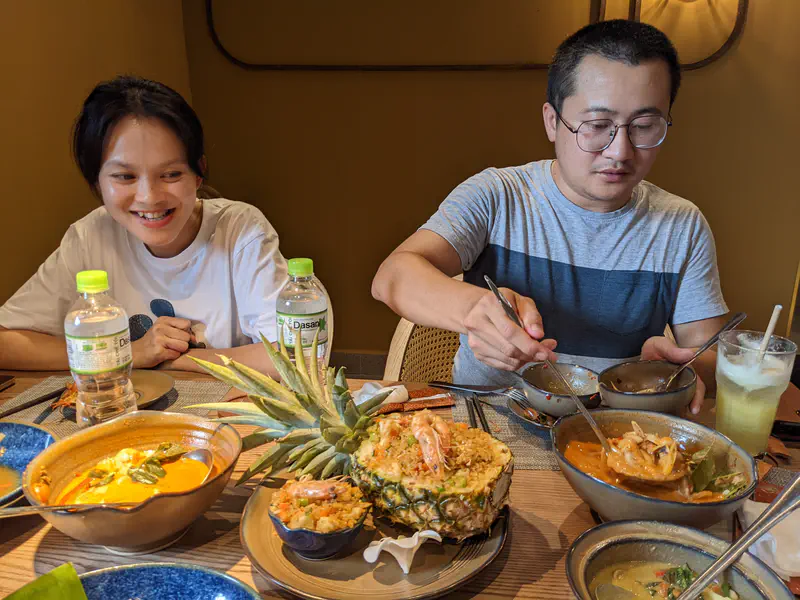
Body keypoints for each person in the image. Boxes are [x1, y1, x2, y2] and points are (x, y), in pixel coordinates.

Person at [372, 20, 729, 414]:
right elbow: (392, 277)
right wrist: (475, 312)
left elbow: (711, 358)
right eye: (597, 126)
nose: (620, 151)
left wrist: (685, 367)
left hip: (617, 437)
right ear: (552, 121)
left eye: (645, 126)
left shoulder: (681, 225)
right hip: (487, 426)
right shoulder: (498, 196)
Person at [0, 76, 288, 375]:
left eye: (171, 174)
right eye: (125, 177)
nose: (149, 197)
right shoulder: (89, 237)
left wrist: (179, 358)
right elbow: (6, 343)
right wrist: (128, 352)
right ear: (96, 182)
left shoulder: (240, 231)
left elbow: (296, 357)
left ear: (199, 173)